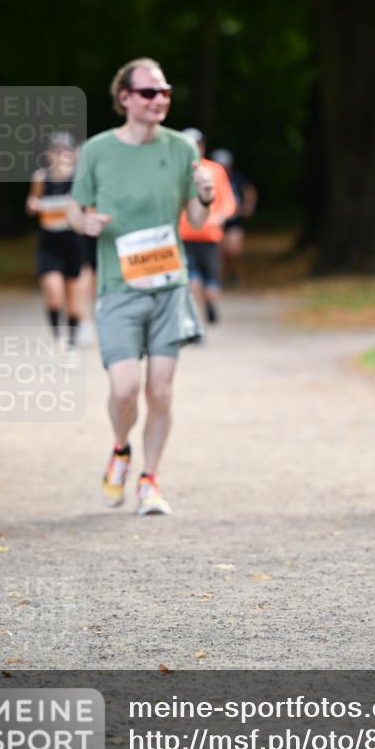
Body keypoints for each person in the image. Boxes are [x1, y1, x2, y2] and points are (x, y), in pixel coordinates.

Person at [67, 57, 214, 516]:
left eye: (165, 92)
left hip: (170, 285)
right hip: (118, 286)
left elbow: (195, 218)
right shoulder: (97, 151)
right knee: (126, 387)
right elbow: (75, 210)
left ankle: (150, 480)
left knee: (162, 392)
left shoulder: (182, 150)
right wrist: (87, 223)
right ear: (125, 98)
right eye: (150, 93)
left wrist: (206, 196)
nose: (160, 100)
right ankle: (119, 448)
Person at [25, 131, 83, 355]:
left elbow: (88, 208)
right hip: (49, 242)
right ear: (49, 154)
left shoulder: (79, 179)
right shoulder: (41, 177)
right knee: (53, 292)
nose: (61, 155)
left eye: (65, 150)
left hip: (73, 242)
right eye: (56, 151)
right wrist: (33, 205)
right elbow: (32, 203)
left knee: (73, 294)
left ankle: (73, 341)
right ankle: (56, 336)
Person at [178, 129, 237, 327]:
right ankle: (198, 321)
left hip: (210, 236)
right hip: (185, 235)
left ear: (202, 146)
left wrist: (220, 216)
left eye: (197, 144)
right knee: (192, 280)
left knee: (211, 286)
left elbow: (228, 200)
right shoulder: (176, 170)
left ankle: (210, 303)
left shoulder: (215, 170)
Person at [212, 148, 257, 284]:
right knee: (220, 253)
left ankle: (235, 274)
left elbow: (249, 191)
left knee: (234, 250)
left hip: (234, 220)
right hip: (217, 221)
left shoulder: (238, 178)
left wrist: (248, 207)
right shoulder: (210, 177)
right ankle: (220, 279)